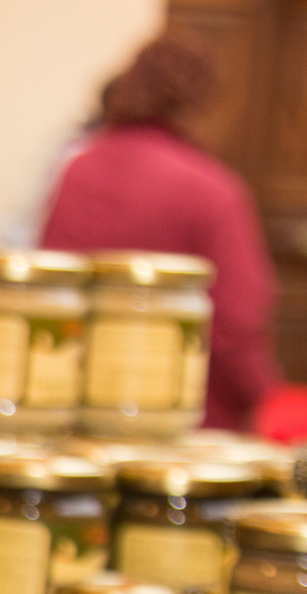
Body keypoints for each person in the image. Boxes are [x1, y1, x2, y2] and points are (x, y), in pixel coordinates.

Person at [38, 34, 281, 431]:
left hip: (81, 411)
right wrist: (261, 394)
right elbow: (236, 326)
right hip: (181, 419)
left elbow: (50, 283)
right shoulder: (212, 190)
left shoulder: (78, 169)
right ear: (203, 102)